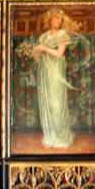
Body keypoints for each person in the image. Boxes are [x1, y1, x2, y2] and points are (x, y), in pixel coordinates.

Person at [30, 8, 79, 148]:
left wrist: (43, 49)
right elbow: (38, 59)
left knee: (57, 104)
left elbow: (58, 54)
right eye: (57, 18)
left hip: (56, 72)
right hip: (44, 72)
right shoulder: (44, 37)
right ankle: (50, 136)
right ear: (50, 19)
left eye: (61, 19)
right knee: (46, 103)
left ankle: (61, 137)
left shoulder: (63, 35)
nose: (59, 21)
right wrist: (35, 52)